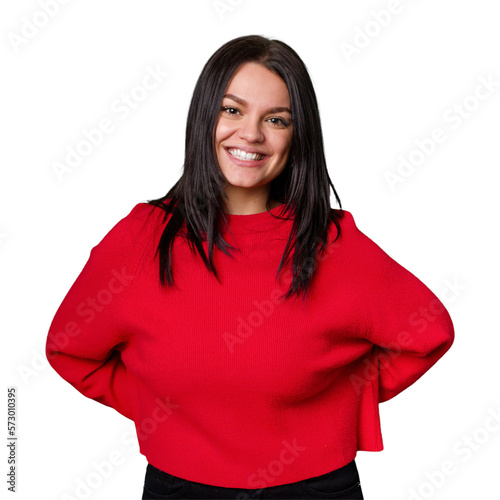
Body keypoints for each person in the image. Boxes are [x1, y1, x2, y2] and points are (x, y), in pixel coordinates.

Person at [45, 35, 455, 499]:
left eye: (276, 119)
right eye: (232, 110)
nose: (252, 134)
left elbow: (429, 332)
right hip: (180, 488)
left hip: (316, 489)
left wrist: (337, 406)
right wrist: (161, 409)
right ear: (204, 117)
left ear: (297, 135)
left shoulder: (334, 243)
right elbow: (69, 350)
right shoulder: (142, 239)